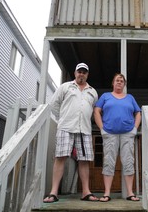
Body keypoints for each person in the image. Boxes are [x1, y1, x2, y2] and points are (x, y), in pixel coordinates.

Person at [43, 62, 99, 203]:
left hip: (84, 130)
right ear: (75, 73)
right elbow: (54, 105)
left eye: (84, 72)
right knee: (60, 157)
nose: (81, 74)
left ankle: (86, 192)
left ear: (87, 74)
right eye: (79, 71)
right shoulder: (65, 87)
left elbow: (92, 111)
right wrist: (63, 118)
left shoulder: (93, 91)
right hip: (66, 127)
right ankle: (53, 192)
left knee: (84, 160)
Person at [94, 73, 141, 202]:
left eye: (121, 81)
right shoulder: (105, 96)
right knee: (109, 161)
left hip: (127, 134)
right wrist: (102, 129)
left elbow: (138, 113)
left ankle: (130, 193)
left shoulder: (130, 98)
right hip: (109, 133)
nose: (119, 82)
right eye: (117, 80)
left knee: (128, 161)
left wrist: (135, 129)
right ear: (113, 83)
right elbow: (96, 111)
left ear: (124, 84)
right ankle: (107, 193)